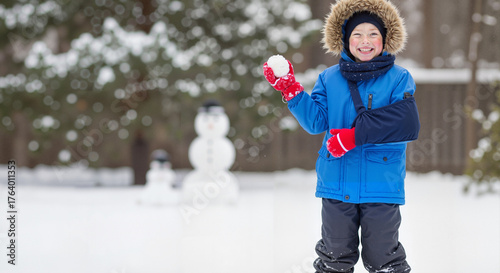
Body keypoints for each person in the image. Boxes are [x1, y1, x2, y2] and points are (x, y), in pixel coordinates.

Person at [263, 0, 419, 272]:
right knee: (334, 258)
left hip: (381, 185)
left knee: (384, 258)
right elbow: (316, 122)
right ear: (345, 40)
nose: (365, 41)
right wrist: (292, 91)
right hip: (336, 183)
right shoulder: (329, 78)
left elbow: (404, 123)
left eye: (373, 34)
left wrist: (351, 138)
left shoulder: (399, 78)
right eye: (357, 34)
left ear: (385, 39)